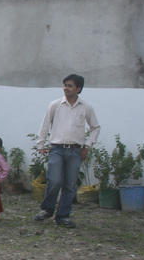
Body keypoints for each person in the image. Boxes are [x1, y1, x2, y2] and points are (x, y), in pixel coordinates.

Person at [34, 74, 100, 228]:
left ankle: (63, 216)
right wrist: (41, 144)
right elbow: (45, 125)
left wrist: (87, 146)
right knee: (54, 180)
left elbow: (95, 127)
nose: (66, 88)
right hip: (57, 148)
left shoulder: (86, 107)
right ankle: (47, 209)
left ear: (78, 88)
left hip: (75, 151)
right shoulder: (55, 105)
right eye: (64, 85)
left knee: (70, 185)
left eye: (70, 85)